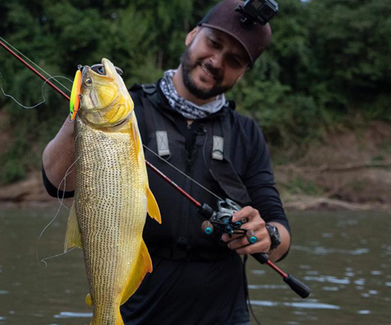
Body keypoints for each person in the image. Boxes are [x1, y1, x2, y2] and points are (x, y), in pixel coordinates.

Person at [41, 0, 291, 324]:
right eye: (213, 44)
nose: (216, 61)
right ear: (192, 35)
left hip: (224, 314)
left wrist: (265, 234)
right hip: (136, 312)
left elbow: (281, 236)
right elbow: (55, 182)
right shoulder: (129, 111)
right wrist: (82, 113)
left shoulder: (246, 133)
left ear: (244, 71)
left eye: (234, 60)